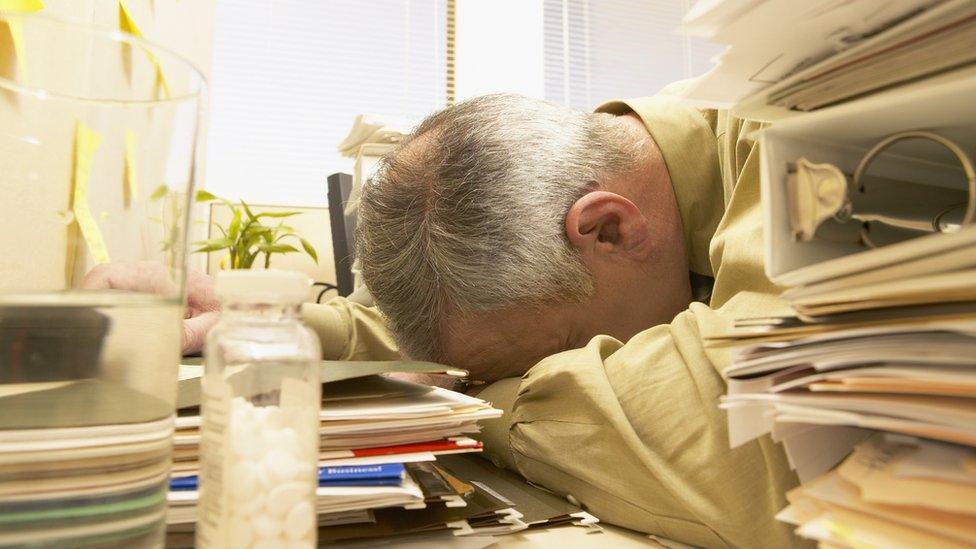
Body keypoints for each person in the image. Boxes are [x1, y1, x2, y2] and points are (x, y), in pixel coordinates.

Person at [85, 84, 803, 547]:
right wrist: (278, 321)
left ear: (609, 228)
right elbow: (468, 340)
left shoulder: (802, 140)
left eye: (550, 361)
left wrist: (470, 401)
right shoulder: (619, 189)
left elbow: (755, 457)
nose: (557, 373)